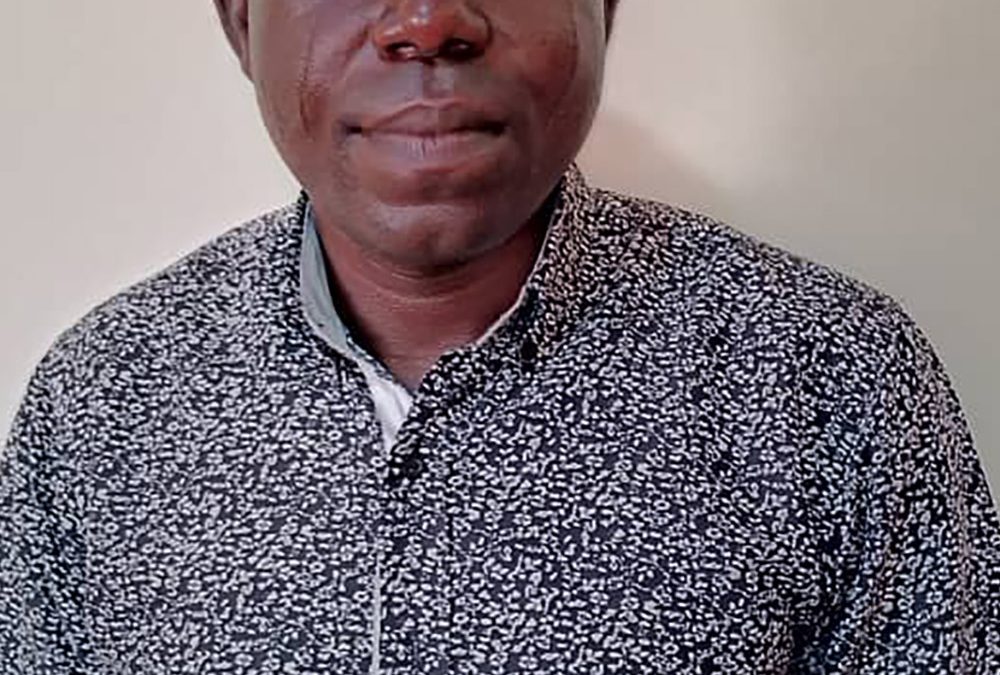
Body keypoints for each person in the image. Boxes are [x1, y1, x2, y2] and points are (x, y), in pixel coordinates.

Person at [1, 0, 998, 672]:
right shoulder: (101, 401)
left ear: (603, 10)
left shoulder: (831, 375)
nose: (427, 21)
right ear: (239, 21)